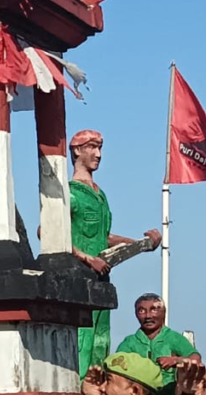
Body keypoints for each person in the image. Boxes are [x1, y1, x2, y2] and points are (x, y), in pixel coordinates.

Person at [69, 129, 162, 377]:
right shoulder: (70, 193)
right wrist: (88, 258)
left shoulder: (100, 195)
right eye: (92, 147)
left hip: (102, 283)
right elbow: (48, 231)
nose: (98, 154)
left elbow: (103, 236)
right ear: (77, 151)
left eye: (100, 148)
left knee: (101, 345)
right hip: (79, 284)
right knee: (83, 342)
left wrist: (140, 244)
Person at [116, 294, 201, 395]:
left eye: (154, 309)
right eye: (142, 311)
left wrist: (176, 360)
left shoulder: (173, 338)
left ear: (163, 313)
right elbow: (116, 367)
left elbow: (195, 359)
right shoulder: (130, 342)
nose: (148, 316)